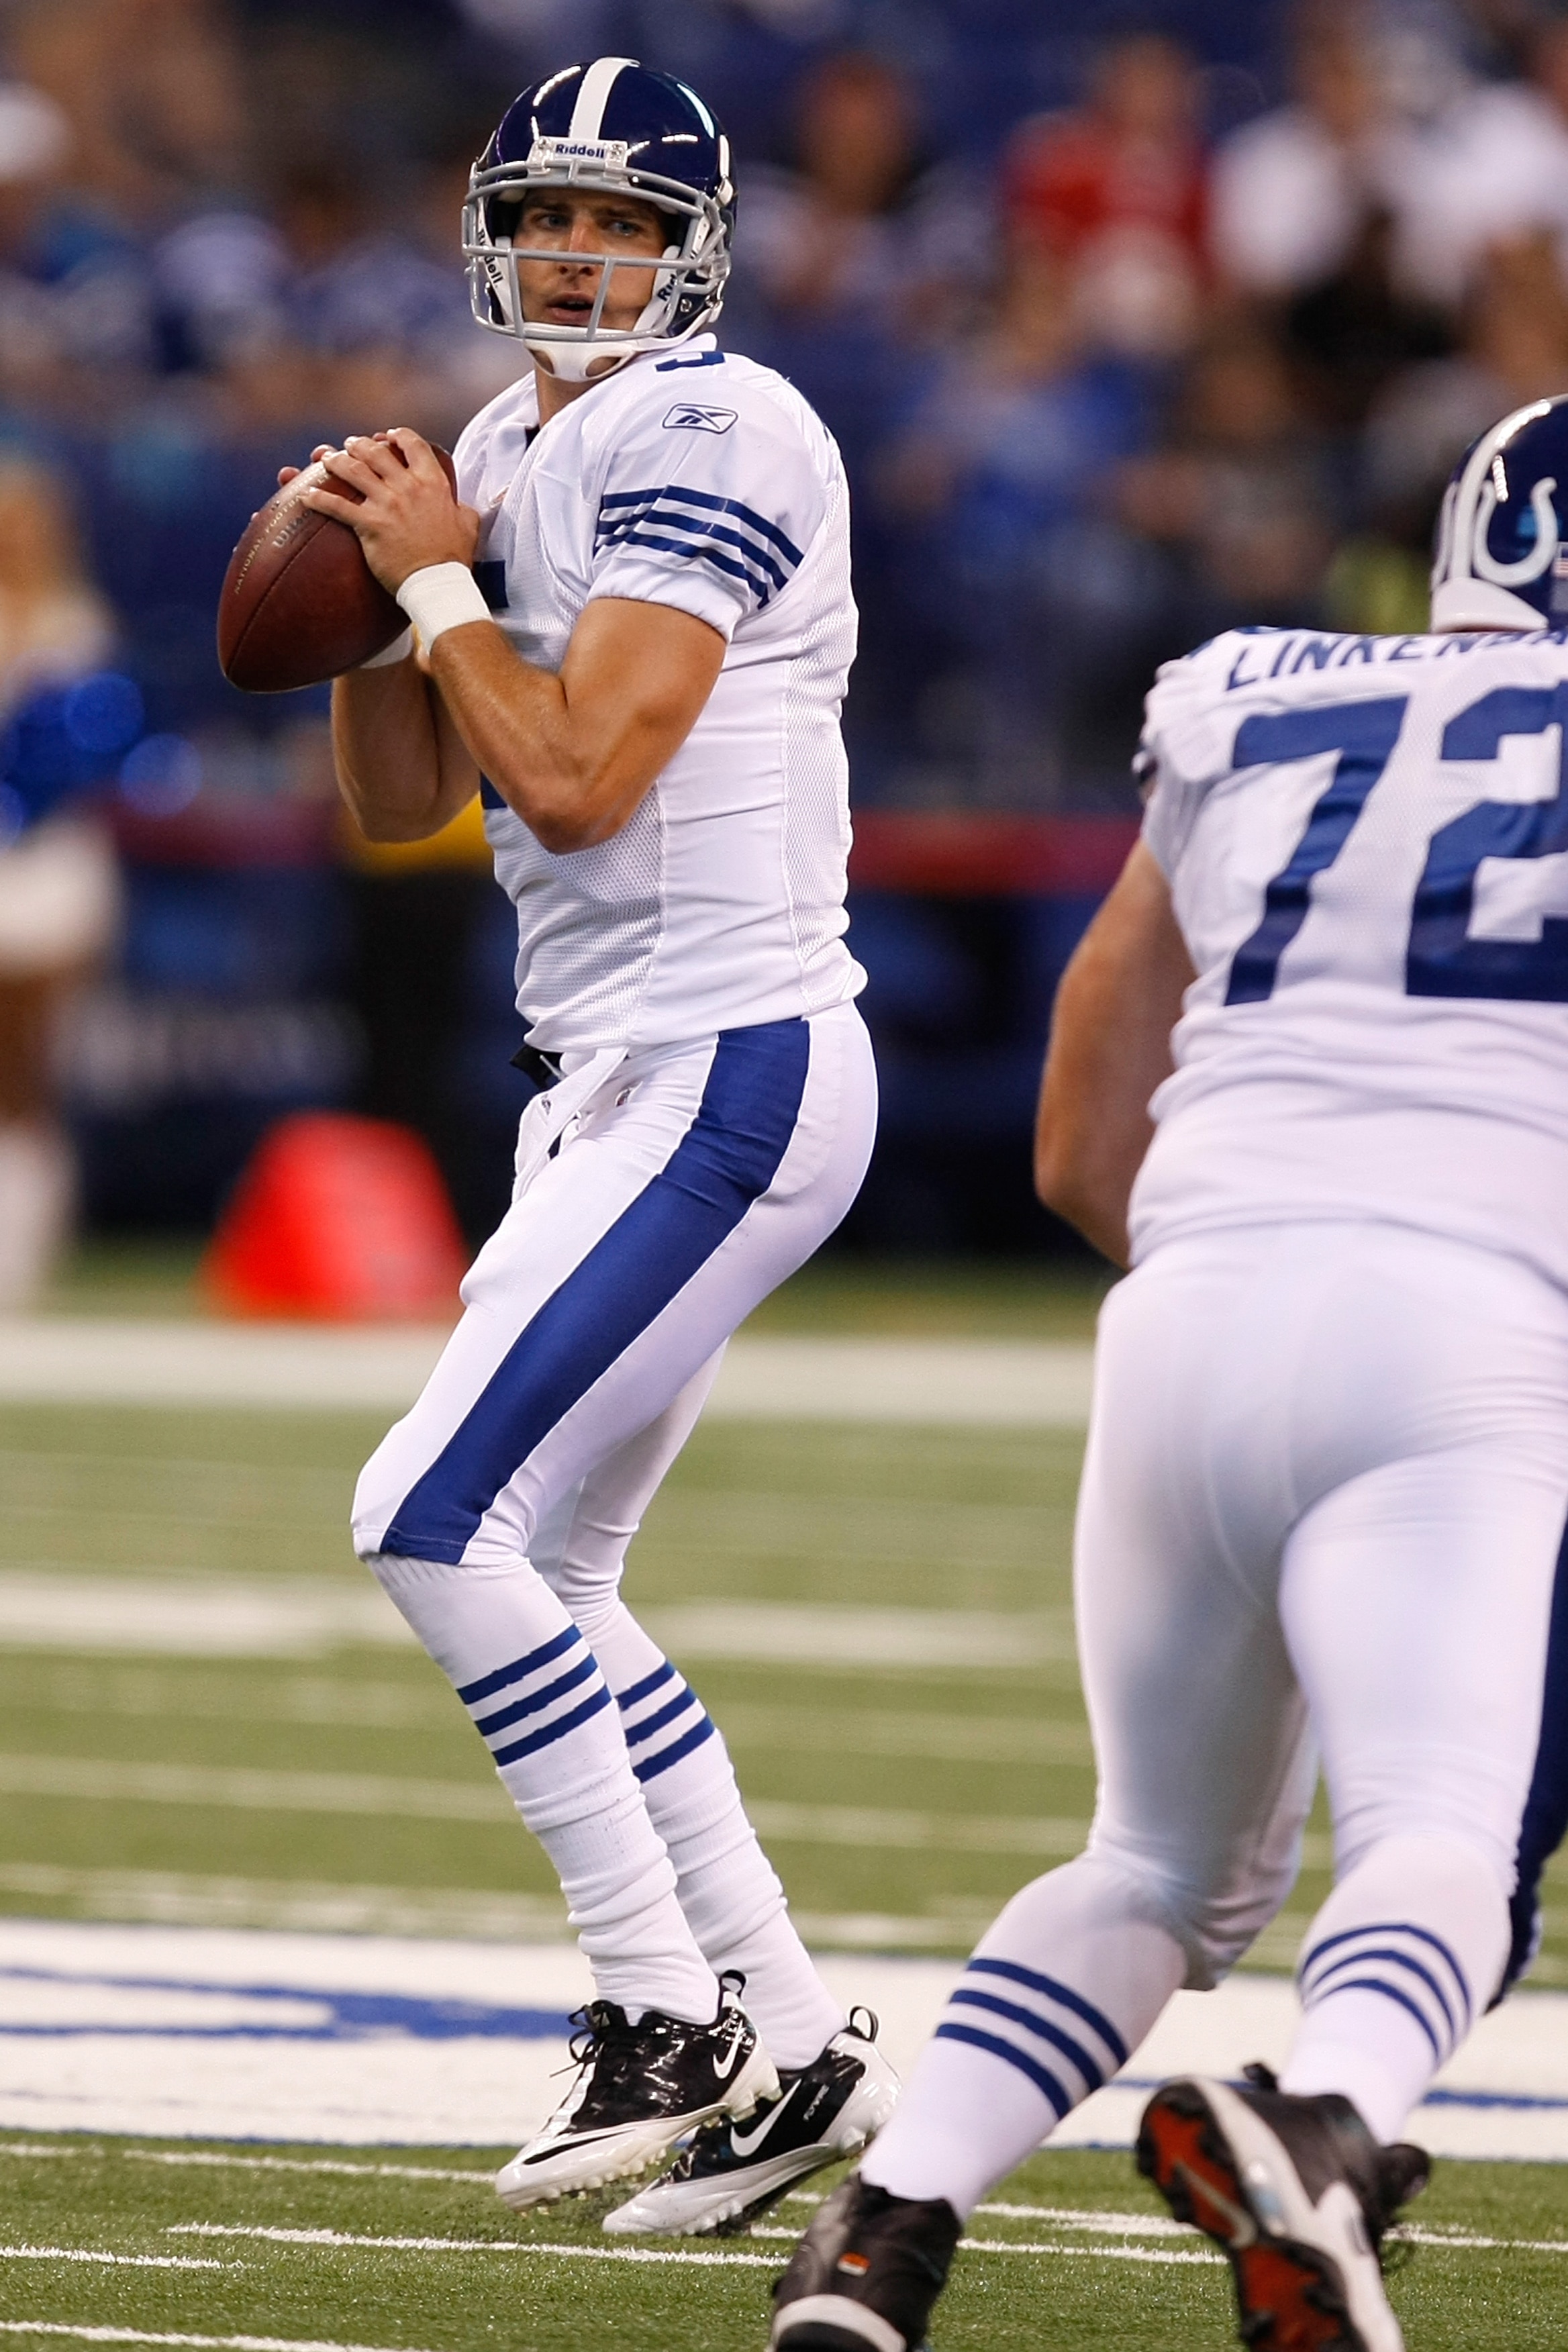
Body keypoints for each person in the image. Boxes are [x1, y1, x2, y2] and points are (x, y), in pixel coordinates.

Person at [769, 394, 1568, 2352]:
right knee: (1439, 1832)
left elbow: (1074, 1126)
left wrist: (1262, 1277)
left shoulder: (1251, 696)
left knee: (1155, 1861)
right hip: (1468, 1323)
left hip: (1190, 1301)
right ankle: (1331, 2119)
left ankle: (882, 2240)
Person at [292, 57, 897, 2234]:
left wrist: (447, 596)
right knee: (549, 1568)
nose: (579, 254)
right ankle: (795, 2037)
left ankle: (661, 2013)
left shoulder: (721, 427)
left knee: (427, 1509)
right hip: (616, 1076)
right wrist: (375, 595)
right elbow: (396, 804)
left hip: (728, 1047)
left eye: (624, 225)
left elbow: (570, 786)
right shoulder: (490, 444)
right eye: (551, 214)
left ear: (690, 250)